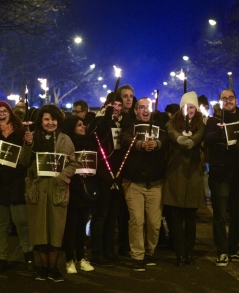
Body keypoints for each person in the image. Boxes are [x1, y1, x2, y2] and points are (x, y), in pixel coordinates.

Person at [20, 105, 77, 282]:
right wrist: (28, 144)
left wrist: (61, 176)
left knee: (55, 231)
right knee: (39, 232)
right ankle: (43, 268)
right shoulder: (32, 137)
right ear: (40, 121)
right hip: (36, 190)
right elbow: (23, 161)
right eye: (46, 119)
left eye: (53, 119)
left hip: (57, 190)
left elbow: (73, 163)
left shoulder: (65, 140)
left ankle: (53, 268)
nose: (50, 123)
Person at [0, 101, 35, 274]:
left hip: (16, 183)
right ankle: (1, 259)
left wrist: (28, 144)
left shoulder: (21, 132)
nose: (2, 114)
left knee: (21, 221)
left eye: (5, 111)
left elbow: (26, 160)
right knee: (0, 224)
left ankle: (29, 256)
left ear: (10, 113)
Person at [204, 89, 239, 267]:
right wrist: (218, 134)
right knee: (220, 216)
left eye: (230, 98)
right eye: (224, 99)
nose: (228, 101)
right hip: (220, 175)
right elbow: (207, 139)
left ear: (236, 100)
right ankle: (222, 251)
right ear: (220, 102)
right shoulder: (214, 120)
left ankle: (233, 248)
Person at [120, 97, 168, 271]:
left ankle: (150, 252)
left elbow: (164, 139)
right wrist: (139, 144)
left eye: (148, 107)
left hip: (155, 183)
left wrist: (156, 144)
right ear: (135, 110)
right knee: (137, 220)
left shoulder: (160, 124)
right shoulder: (129, 126)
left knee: (154, 223)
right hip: (134, 183)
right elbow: (125, 139)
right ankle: (138, 256)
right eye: (141, 107)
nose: (145, 111)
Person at [163, 92, 206, 266]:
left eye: (192, 107)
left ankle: (189, 252)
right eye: (185, 107)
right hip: (175, 174)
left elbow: (199, 136)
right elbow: (170, 131)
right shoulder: (172, 122)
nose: (188, 110)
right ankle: (179, 253)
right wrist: (180, 138)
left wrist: (192, 141)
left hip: (193, 174)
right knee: (175, 217)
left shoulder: (201, 122)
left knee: (190, 218)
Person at [86, 94, 124, 267]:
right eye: (113, 104)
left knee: (112, 214)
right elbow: (95, 137)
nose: (116, 107)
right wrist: (106, 117)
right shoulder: (99, 120)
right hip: (102, 174)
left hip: (117, 174)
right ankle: (97, 251)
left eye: (119, 105)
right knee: (100, 214)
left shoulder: (121, 123)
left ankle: (110, 250)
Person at [61, 116, 96, 274]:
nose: (83, 127)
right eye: (79, 125)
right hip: (72, 187)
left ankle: (81, 257)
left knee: (82, 225)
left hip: (85, 188)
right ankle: (69, 259)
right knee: (71, 226)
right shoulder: (68, 144)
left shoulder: (89, 142)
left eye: (84, 124)